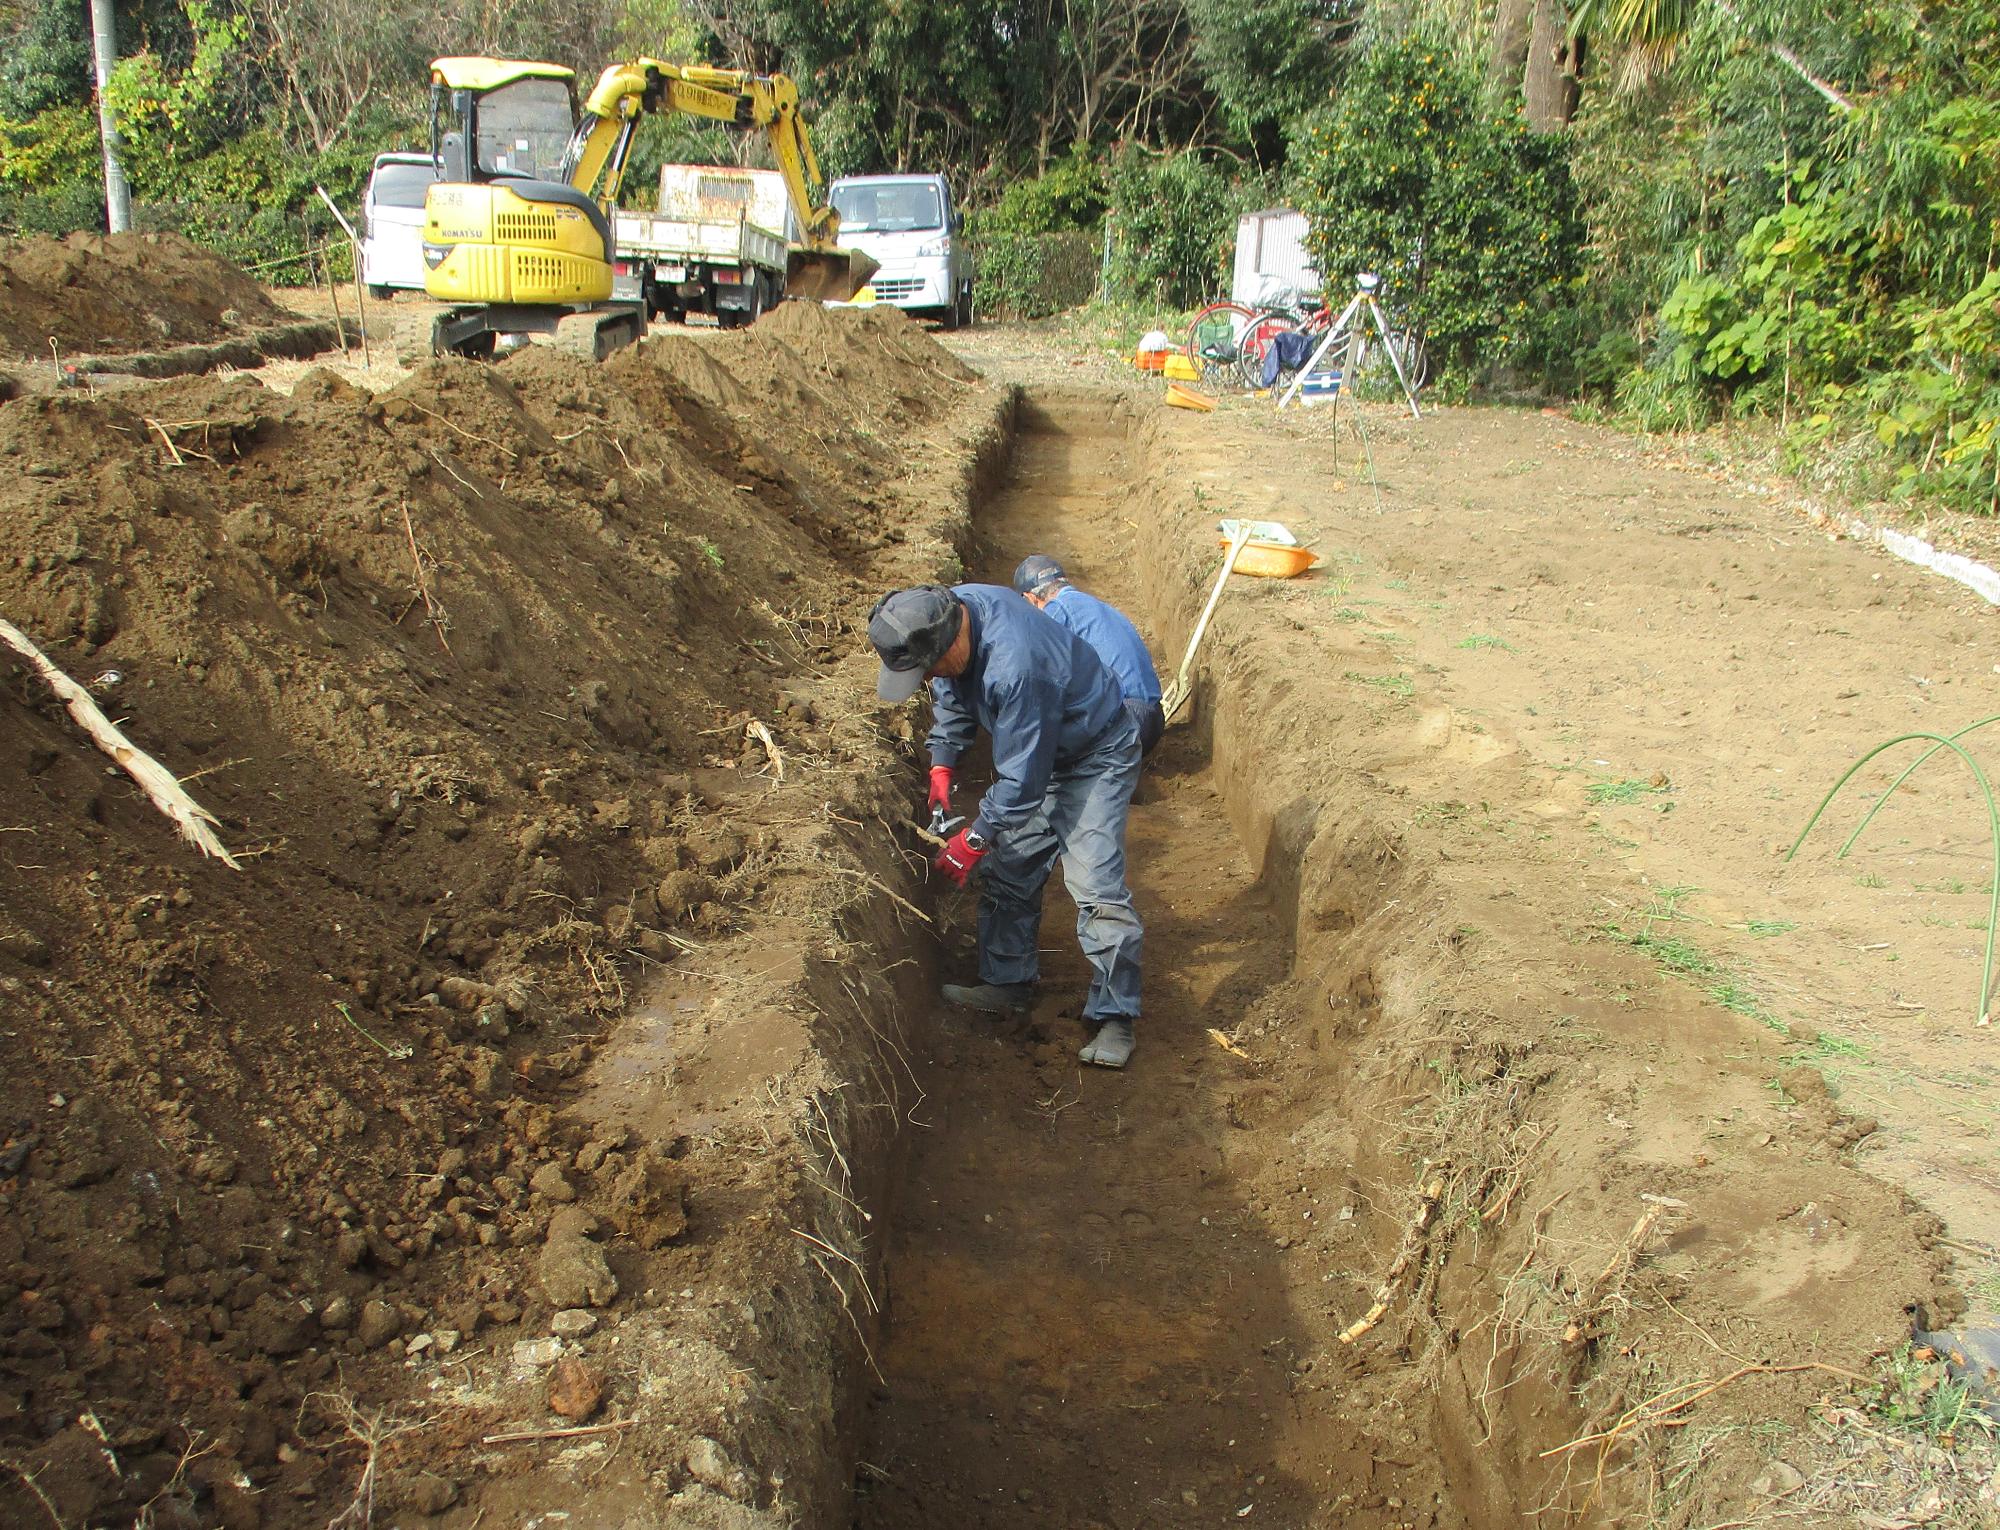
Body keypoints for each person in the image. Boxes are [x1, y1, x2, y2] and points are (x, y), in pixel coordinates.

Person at [869, 583, 1143, 1068]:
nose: (927, 676)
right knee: (1011, 870)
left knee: (1095, 887)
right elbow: (951, 691)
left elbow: (1023, 782)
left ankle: (1115, 1015)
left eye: (927, 667)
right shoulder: (948, 613)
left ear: (950, 640)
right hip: (1042, 752)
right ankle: (1007, 983)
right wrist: (942, 761)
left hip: (1095, 754)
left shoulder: (1018, 667)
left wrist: (975, 839)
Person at [1012, 554, 1165, 755]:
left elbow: (1037, 671)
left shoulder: (1056, 610)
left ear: (1031, 598)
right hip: (1154, 719)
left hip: (1127, 724)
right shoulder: (1094, 605)